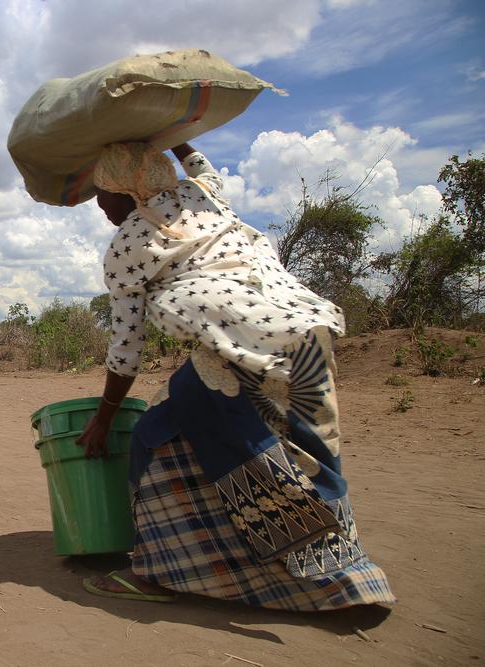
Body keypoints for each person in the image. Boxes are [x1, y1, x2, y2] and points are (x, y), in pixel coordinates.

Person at [75, 141, 394, 610]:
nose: (101, 205)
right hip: (307, 335)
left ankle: (163, 573)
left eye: (103, 192)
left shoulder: (129, 242)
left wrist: (104, 417)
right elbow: (204, 169)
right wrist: (177, 136)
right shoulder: (204, 196)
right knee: (306, 449)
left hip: (242, 348)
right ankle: (341, 573)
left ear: (127, 190)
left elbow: (127, 347)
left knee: (155, 440)